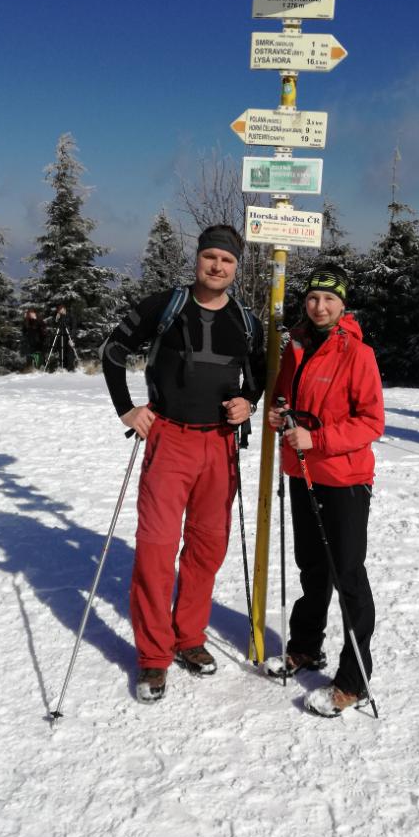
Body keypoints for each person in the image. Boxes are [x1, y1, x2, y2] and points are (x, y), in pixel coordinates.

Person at [101, 225, 265, 704]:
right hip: (169, 439)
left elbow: (259, 372)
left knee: (207, 548)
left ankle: (189, 636)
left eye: (227, 260)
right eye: (210, 256)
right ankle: (154, 655)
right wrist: (126, 409)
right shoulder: (165, 306)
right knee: (156, 549)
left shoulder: (245, 320)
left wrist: (249, 402)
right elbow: (113, 352)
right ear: (197, 259)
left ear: (236, 268)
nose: (217, 266)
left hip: (220, 444)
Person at [264, 264, 385, 717]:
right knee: (312, 568)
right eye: (314, 298)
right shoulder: (295, 346)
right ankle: (305, 647)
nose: (320, 306)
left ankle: (355, 680)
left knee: (347, 573)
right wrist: (279, 415)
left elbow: (371, 422)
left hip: (345, 479)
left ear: (342, 305)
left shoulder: (358, 353)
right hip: (302, 473)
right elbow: (283, 398)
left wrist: (317, 439)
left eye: (330, 299)